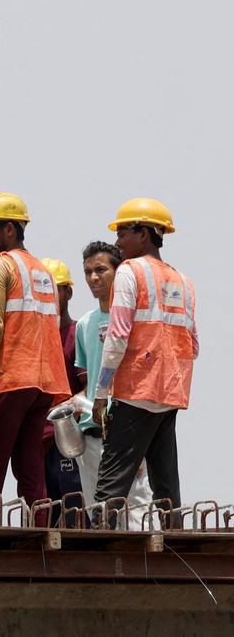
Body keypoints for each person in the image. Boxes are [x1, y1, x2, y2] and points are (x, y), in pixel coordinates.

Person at [0, 193, 69, 526]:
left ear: (9, 229)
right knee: (30, 469)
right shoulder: (44, 273)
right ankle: (41, 534)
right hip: (43, 385)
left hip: (10, 381)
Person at [93, 199, 198, 529]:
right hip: (170, 391)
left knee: (111, 482)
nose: (118, 241)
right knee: (165, 484)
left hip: (135, 389)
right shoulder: (183, 280)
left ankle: (95, 551)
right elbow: (193, 345)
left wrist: (100, 392)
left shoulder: (129, 271)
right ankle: (174, 541)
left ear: (146, 233)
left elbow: (119, 336)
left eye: (124, 232)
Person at [73, 241, 152, 524]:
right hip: (92, 430)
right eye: (88, 271)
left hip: (127, 427)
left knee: (136, 506)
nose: (93, 278)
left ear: (119, 272)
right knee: (98, 509)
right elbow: (88, 379)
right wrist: (75, 401)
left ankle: (145, 568)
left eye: (101, 270)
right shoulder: (84, 324)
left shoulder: (136, 319)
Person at [39, 258, 86, 527]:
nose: (49, 297)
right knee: (42, 507)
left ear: (68, 291)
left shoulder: (77, 332)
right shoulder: (36, 339)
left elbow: (88, 386)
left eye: (55, 289)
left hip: (68, 439)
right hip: (38, 438)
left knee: (73, 505)